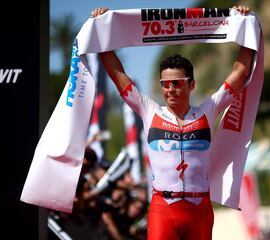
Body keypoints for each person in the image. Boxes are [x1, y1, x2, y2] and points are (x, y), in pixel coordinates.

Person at [91, 5, 254, 240]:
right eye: (166, 84)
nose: (170, 89)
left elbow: (240, 73)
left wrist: (245, 27)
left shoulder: (207, 110)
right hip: (162, 208)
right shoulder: (149, 110)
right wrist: (101, 29)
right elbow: (118, 75)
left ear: (191, 85)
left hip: (199, 210)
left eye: (177, 83)